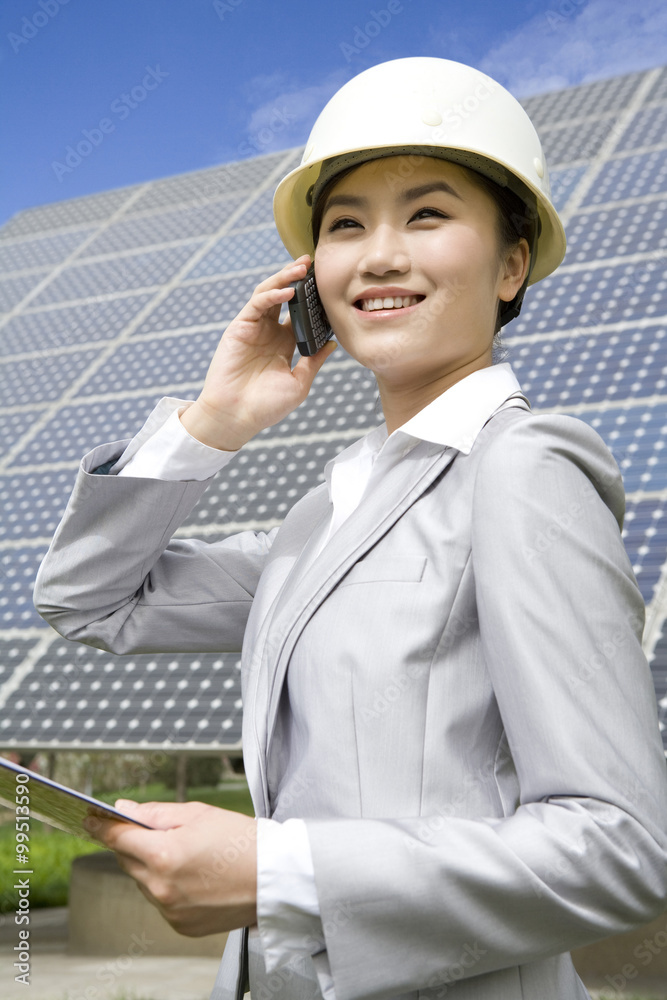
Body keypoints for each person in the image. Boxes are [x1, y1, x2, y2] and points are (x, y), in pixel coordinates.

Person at [34, 57, 667, 1000]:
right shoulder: (326, 514)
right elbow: (89, 601)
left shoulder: (522, 470)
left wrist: (279, 873)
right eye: (344, 226)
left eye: (426, 214)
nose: (377, 255)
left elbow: (621, 849)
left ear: (510, 262)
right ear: (310, 277)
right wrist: (218, 418)